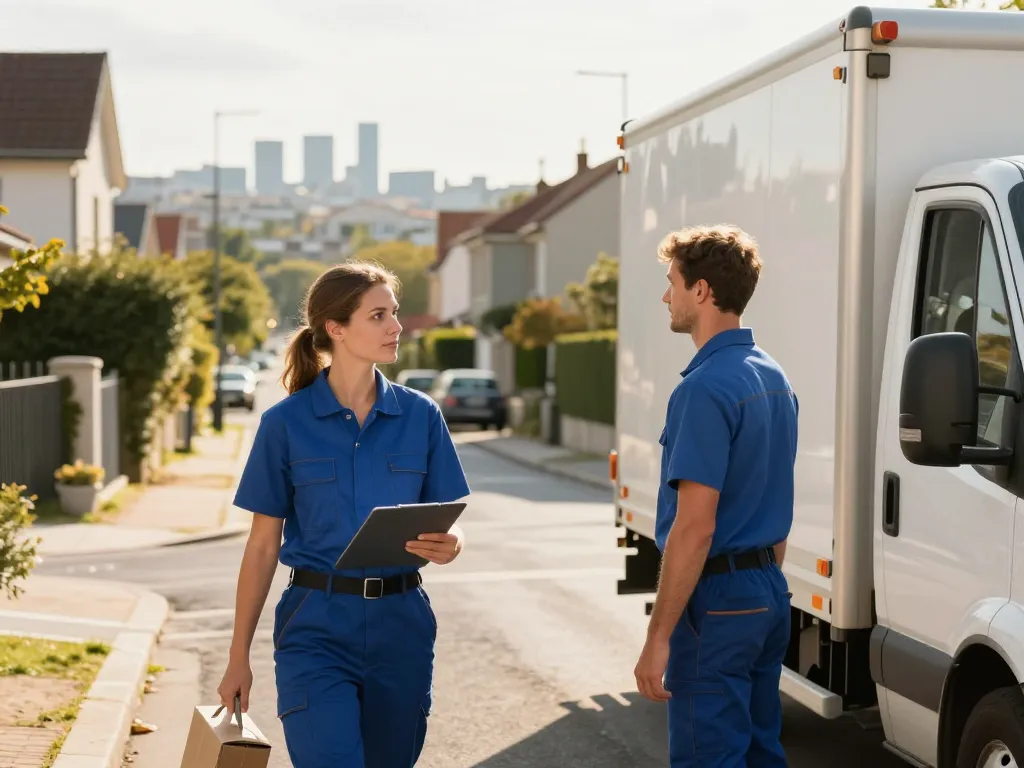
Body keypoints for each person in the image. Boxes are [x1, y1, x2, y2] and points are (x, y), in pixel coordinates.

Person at [217, 261, 471, 768]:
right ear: (336, 328)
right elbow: (263, 545)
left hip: (402, 625)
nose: (396, 326)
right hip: (316, 624)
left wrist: (453, 543)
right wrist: (237, 655)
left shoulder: (421, 416)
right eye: (379, 316)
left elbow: (449, 517)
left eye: (393, 313)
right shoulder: (283, 424)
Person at [633, 225, 798, 767]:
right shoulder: (773, 377)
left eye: (672, 282)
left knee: (710, 757)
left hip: (721, 600)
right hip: (768, 592)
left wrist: (658, 637)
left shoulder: (702, 389)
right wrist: (762, 585)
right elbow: (775, 498)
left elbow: (695, 527)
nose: (666, 296)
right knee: (759, 752)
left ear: (701, 291)